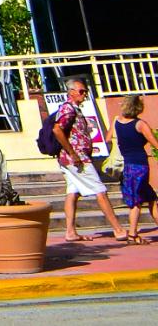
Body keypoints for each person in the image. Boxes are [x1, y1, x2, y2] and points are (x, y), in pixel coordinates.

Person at [53, 77, 128, 244]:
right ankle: (118, 229)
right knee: (100, 190)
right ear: (71, 92)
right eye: (81, 91)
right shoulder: (68, 109)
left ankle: (70, 231)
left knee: (73, 193)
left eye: (85, 91)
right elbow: (57, 129)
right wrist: (72, 153)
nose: (84, 94)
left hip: (73, 158)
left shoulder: (74, 109)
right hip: (77, 159)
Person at [116, 95, 156, 244]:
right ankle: (132, 234)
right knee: (136, 202)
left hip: (128, 165)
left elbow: (110, 138)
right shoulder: (140, 124)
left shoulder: (117, 122)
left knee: (151, 199)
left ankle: (133, 233)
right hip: (139, 165)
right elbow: (154, 142)